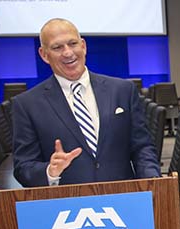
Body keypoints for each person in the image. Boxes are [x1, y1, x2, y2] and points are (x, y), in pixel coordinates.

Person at [12, 18, 160, 187]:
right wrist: (50, 171)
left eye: (72, 43)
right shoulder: (26, 104)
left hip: (123, 201)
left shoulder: (122, 90)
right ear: (44, 55)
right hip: (66, 206)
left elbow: (142, 147)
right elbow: (23, 167)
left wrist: (153, 182)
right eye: (57, 47)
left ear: (83, 45)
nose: (68, 52)